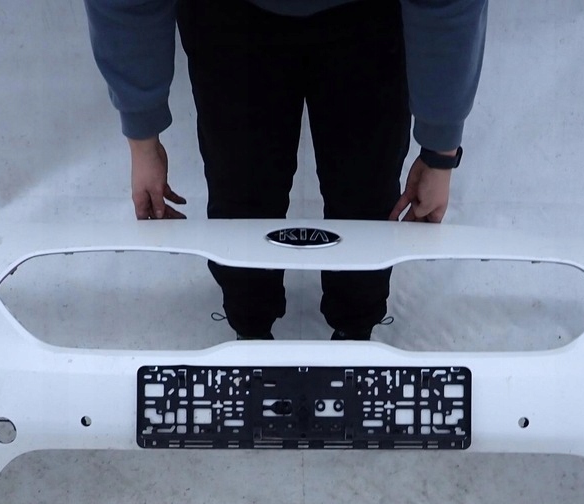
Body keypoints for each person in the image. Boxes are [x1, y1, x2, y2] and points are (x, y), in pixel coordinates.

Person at [84, 0, 488, 340]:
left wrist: (440, 151)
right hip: (230, 18)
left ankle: (355, 334)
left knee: (365, 199)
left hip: (368, 18)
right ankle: (249, 332)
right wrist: (142, 136)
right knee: (241, 197)